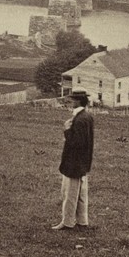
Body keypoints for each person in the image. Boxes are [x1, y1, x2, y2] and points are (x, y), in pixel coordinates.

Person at [52, 87, 94, 231]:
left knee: (69, 194)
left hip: (74, 163)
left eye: (72, 100)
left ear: (78, 101)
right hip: (82, 163)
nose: (70, 102)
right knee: (81, 194)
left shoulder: (80, 119)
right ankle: (82, 221)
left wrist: (67, 130)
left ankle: (68, 222)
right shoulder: (87, 116)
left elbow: (77, 143)